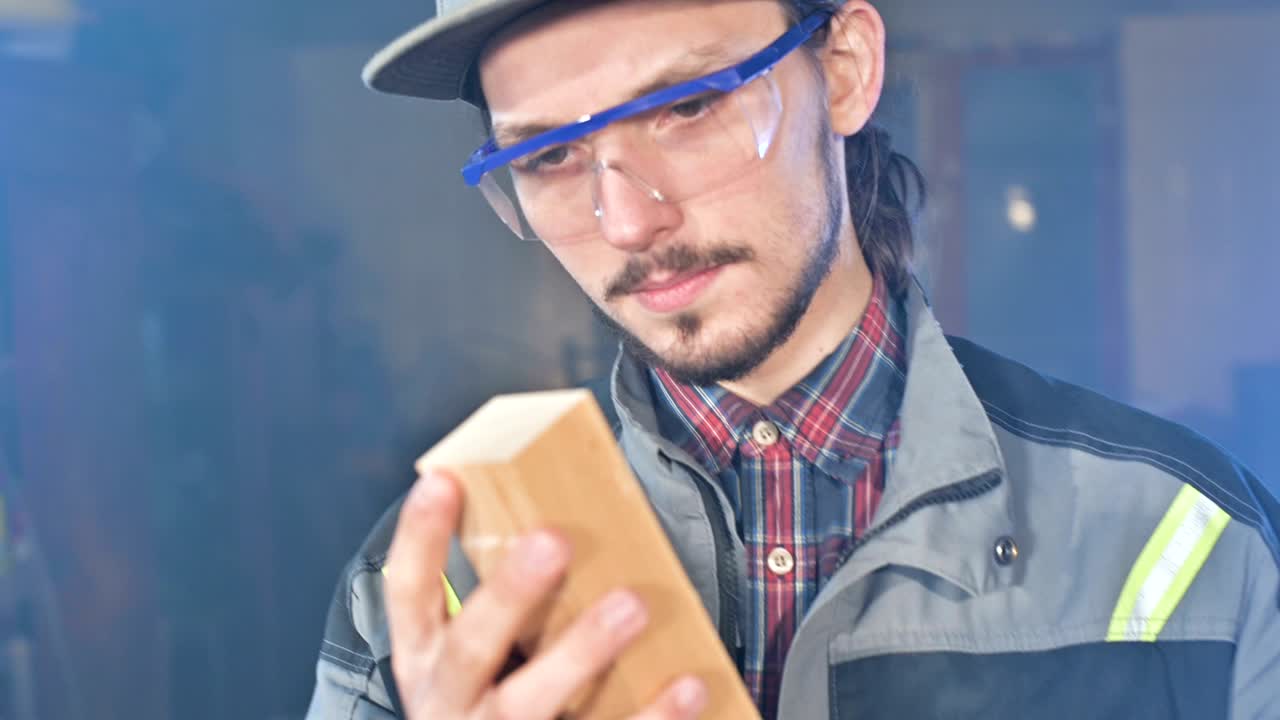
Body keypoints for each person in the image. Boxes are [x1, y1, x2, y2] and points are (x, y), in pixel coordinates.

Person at [305, 0, 1280, 717]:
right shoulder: (427, 585)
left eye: (685, 107)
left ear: (845, 69)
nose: (627, 220)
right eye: (550, 157)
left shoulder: (1189, 540)